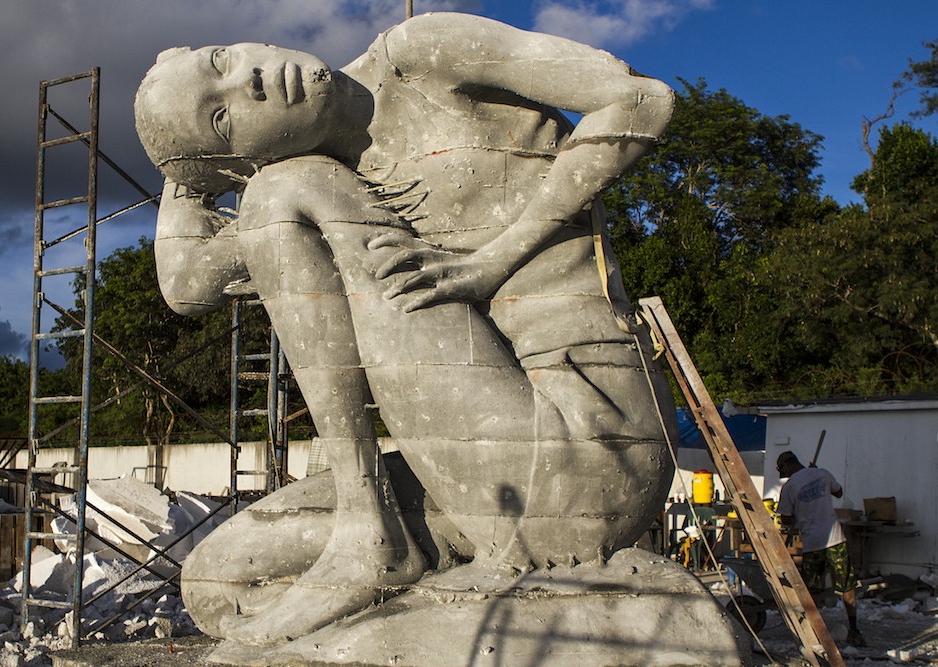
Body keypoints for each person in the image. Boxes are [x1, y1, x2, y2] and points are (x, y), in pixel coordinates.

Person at [134, 12, 677, 647]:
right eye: (224, 117)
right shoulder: (327, 185)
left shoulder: (415, 57)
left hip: (593, 446)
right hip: (481, 474)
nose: (248, 81)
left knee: (282, 193)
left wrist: (492, 262)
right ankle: (376, 534)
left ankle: (368, 533)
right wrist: (184, 166)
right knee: (216, 581)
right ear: (245, 159)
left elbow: (642, 100)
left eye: (221, 60)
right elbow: (186, 285)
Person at [776, 450, 865, 647]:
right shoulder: (822, 474)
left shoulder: (790, 486)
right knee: (847, 586)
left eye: (784, 471)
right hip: (836, 539)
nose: (785, 475)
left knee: (812, 591)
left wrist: (800, 512)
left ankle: (816, 634)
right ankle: (854, 629)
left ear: (788, 465)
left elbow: (785, 518)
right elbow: (839, 492)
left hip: (812, 544)